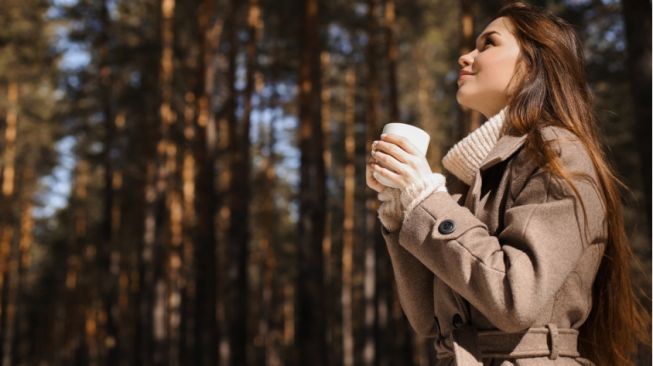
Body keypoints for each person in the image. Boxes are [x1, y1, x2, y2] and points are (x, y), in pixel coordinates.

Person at [365, 2, 650, 365]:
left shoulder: (558, 154)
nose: (465, 57)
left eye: (488, 44)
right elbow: (428, 319)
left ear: (533, 64)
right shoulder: (472, 179)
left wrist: (425, 200)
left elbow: (515, 299)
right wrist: (400, 206)